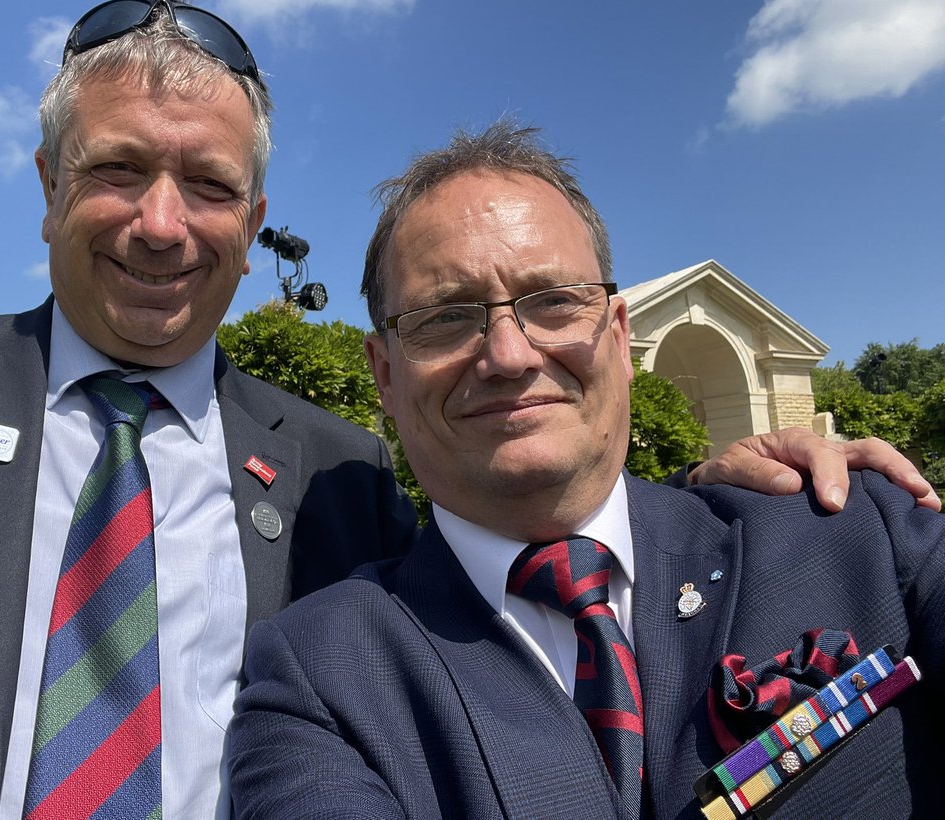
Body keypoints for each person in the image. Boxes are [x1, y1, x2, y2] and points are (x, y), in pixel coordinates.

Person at [0, 0, 928, 819]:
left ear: (254, 222)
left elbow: (530, 568)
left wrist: (711, 502)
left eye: (209, 184)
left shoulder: (337, 471)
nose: (162, 224)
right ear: (49, 184)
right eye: (117, 170)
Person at [227, 120, 945, 819]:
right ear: (385, 374)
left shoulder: (860, 526)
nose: (509, 356)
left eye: (554, 302)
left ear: (619, 336)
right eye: (445, 317)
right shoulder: (315, 679)